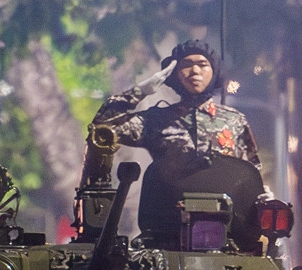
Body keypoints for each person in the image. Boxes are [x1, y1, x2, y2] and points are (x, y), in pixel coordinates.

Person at [89, 39, 262, 245]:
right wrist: (141, 91)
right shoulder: (156, 120)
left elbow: (251, 173)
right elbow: (102, 128)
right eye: (186, 65)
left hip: (226, 232)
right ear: (175, 74)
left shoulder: (234, 121)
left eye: (202, 64)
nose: (194, 71)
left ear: (214, 71)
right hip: (168, 230)